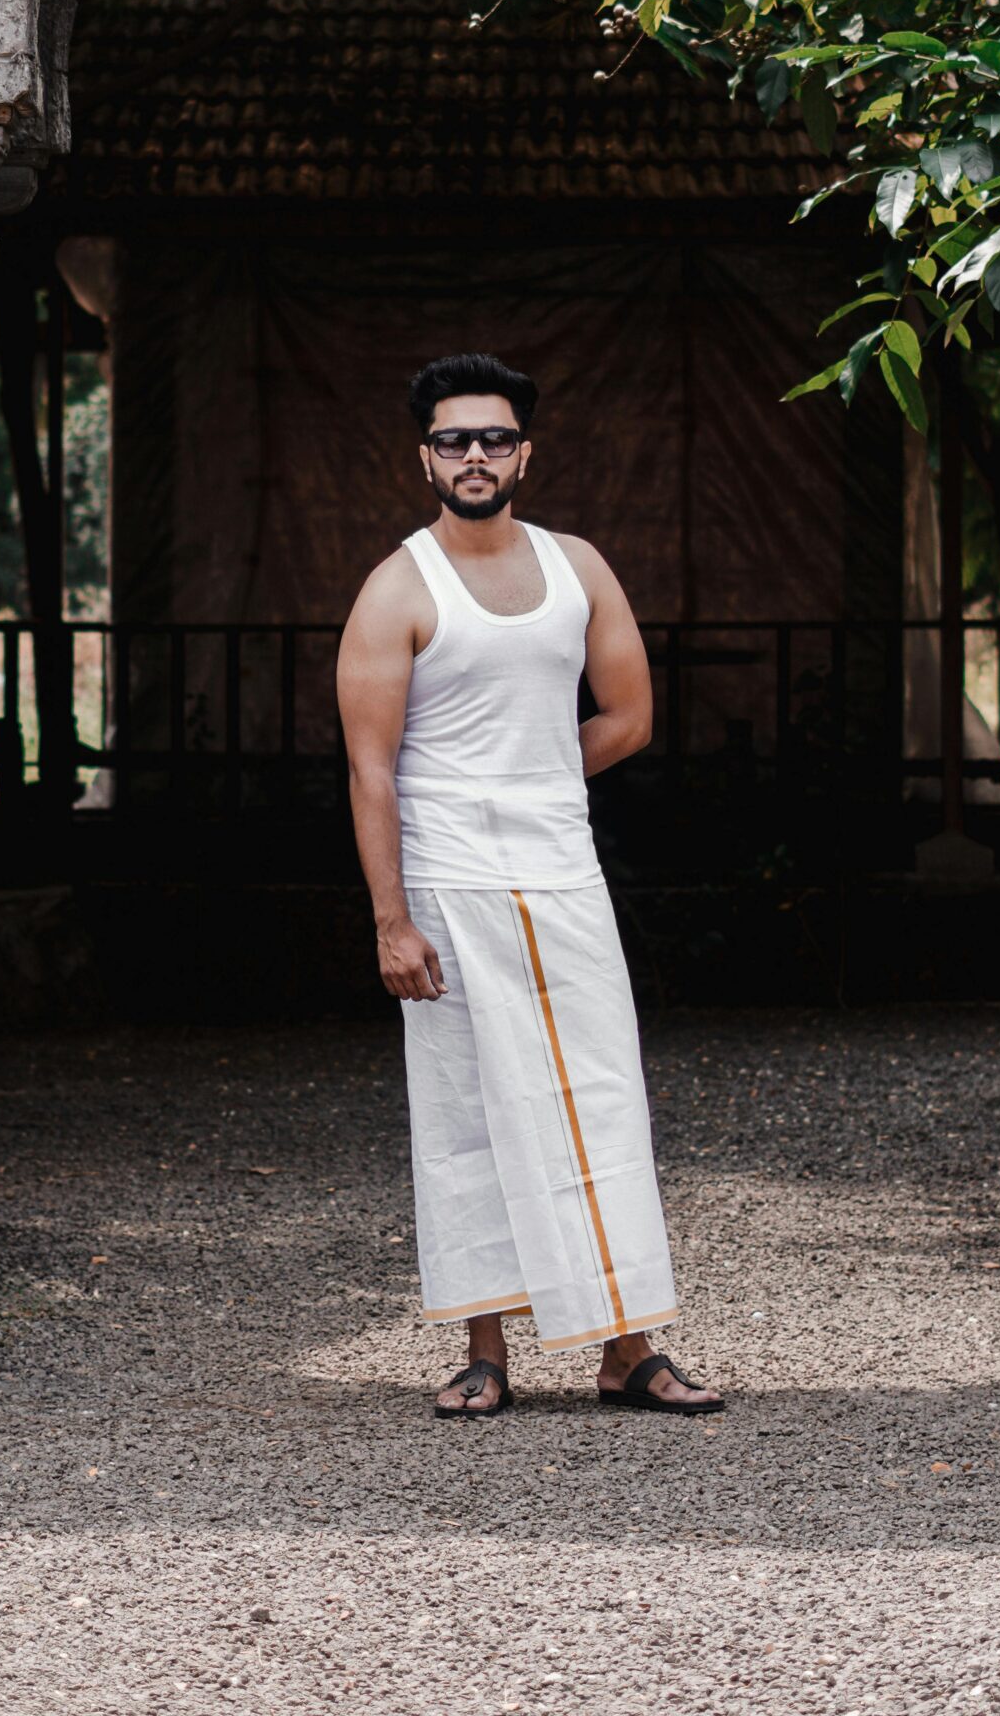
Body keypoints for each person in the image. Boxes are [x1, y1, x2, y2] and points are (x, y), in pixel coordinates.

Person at [337, 353, 723, 1421]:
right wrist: (391, 920)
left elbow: (629, 717)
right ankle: (484, 1350)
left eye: (493, 438)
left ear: (524, 454)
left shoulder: (578, 568)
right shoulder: (397, 587)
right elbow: (371, 768)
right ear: (426, 459)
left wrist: (534, 780)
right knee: (469, 1112)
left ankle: (628, 1350)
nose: (475, 455)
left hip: (561, 874)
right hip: (450, 884)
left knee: (599, 1101)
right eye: (455, 440)